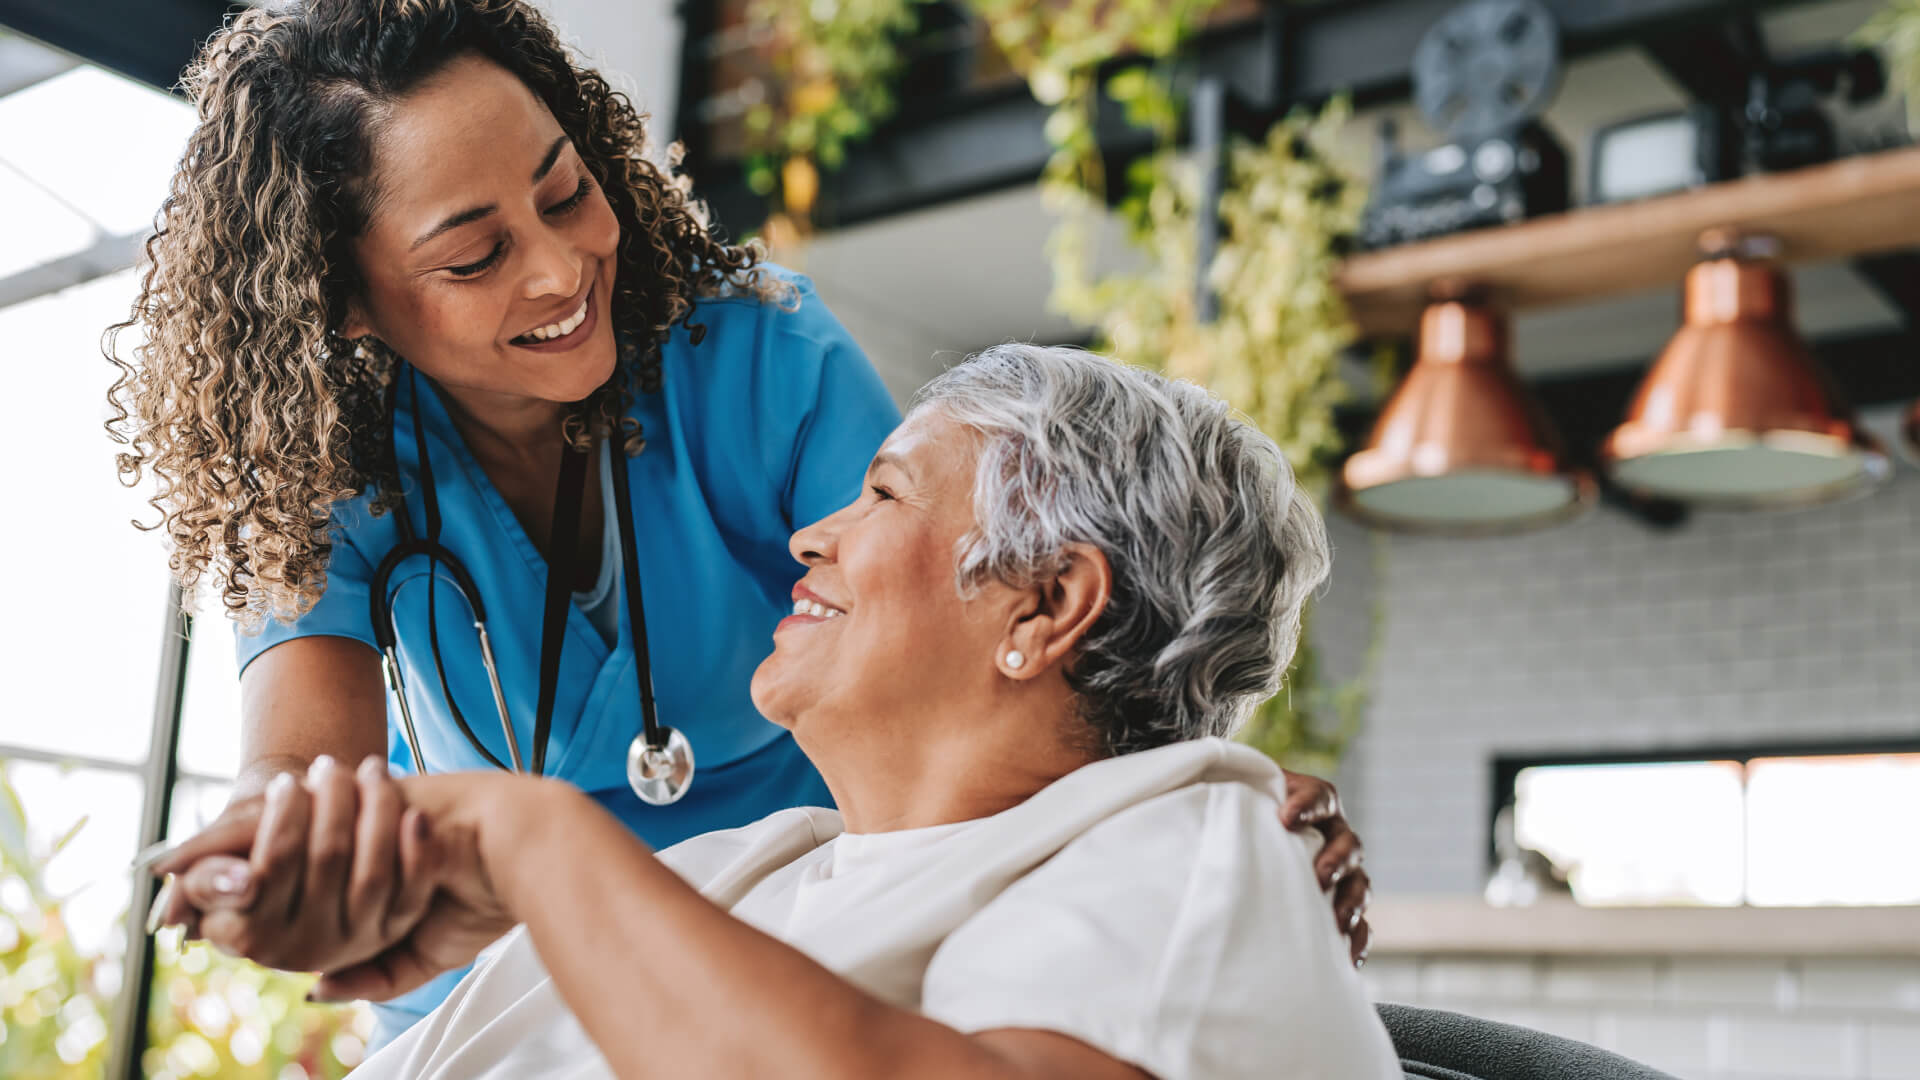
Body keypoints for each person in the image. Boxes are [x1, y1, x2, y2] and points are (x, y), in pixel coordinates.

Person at [113, 0, 1370, 1043]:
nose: (557, 271)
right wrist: (287, 851)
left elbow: (943, 633)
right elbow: (304, 775)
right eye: (473, 256)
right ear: (347, 301)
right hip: (491, 978)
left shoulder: (762, 359)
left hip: (800, 957)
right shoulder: (328, 462)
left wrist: (1181, 793)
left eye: (566, 193)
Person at [155, 344, 1400, 1080]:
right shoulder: (730, 877)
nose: (810, 534)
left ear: (1046, 605)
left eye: (883, 495)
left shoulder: (1188, 855)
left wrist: (533, 842)